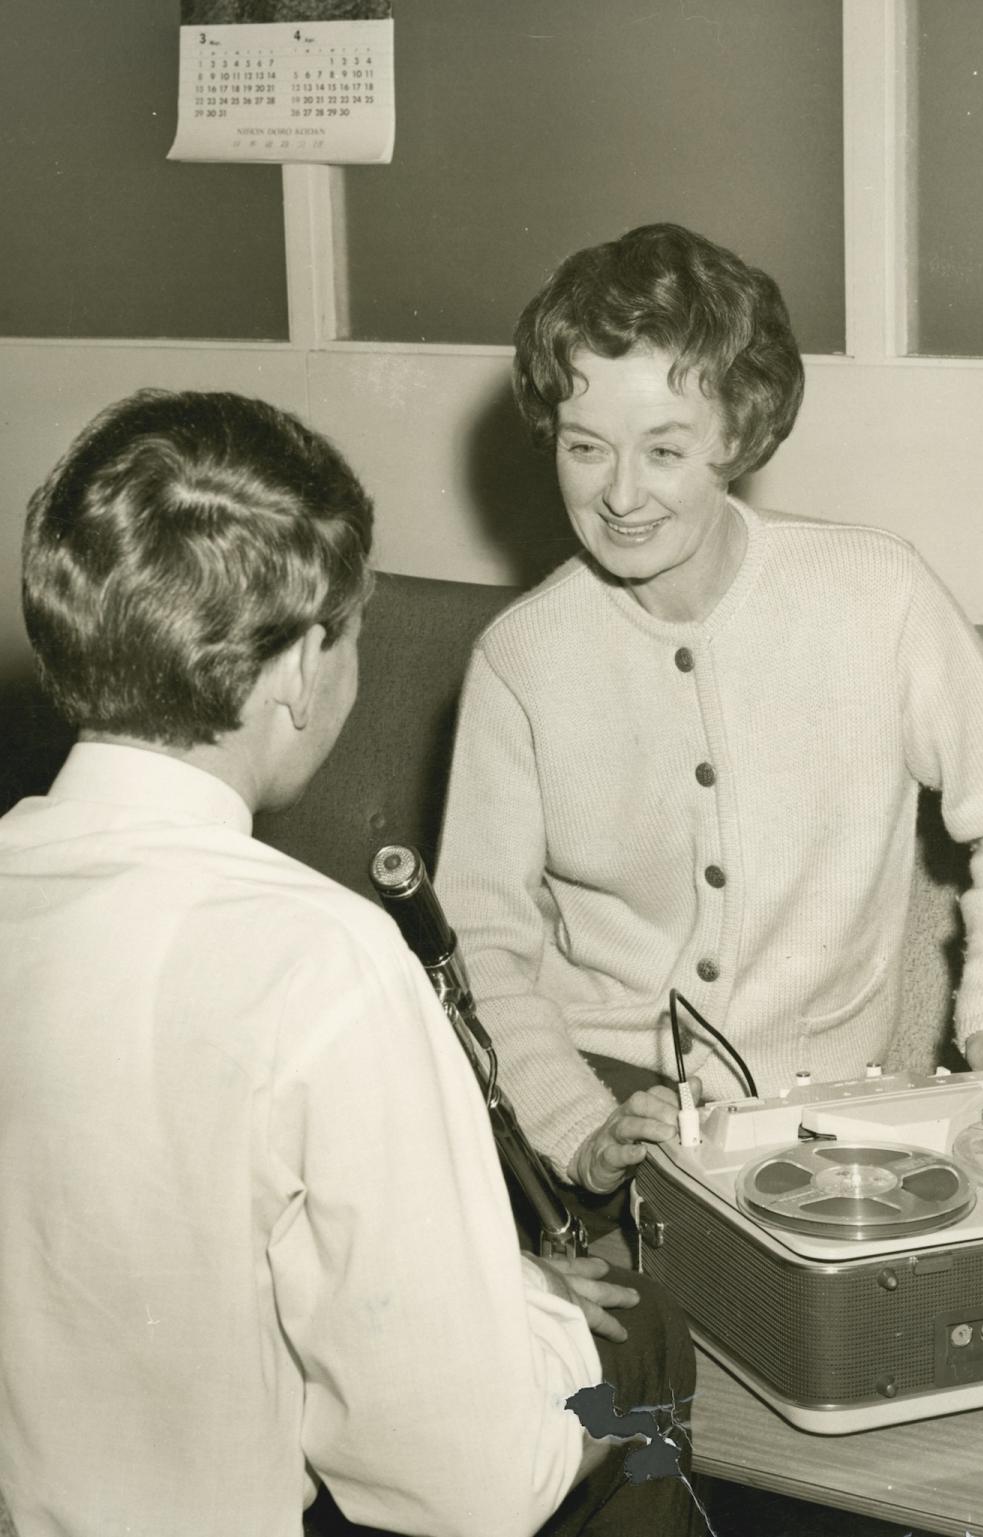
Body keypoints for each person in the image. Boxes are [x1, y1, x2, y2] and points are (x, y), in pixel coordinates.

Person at [0, 390, 698, 1537]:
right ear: (300, 671)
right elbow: (469, 1486)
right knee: (636, 1349)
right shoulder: (323, 959)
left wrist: (494, 1293)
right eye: (357, 630)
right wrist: (536, 1334)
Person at [435, 222, 983, 1204]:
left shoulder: (877, 594)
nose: (620, 493)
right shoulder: (519, 659)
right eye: (586, 447)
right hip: (601, 1108)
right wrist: (578, 1129)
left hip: (817, 1121)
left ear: (740, 435)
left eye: (665, 449)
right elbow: (479, 943)